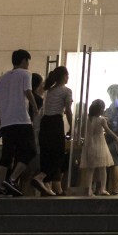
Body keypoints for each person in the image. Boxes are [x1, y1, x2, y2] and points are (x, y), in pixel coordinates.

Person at [0, 50, 35, 198]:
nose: (28, 64)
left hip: (7, 123)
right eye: (27, 61)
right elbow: (28, 91)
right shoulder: (25, 74)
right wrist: (35, 107)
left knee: (7, 154)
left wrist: (1, 122)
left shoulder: (2, 78)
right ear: (23, 61)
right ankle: (12, 179)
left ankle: (0, 187)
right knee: (30, 151)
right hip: (21, 120)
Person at [38, 66, 72, 196]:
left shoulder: (50, 90)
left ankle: (46, 184)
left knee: (46, 154)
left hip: (45, 122)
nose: (68, 78)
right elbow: (68, 110)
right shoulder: (66, 91)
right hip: (56, 122)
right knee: (58, 155)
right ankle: (41, 177)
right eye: (67, 75)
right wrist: (72, 126)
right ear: (64, 76)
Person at [78, 99, 118, 196]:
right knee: (102, 168)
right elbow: (108, 130)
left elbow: (83, 131)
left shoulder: (87, 119)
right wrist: (116, 137)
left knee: (90, 169)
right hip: (100, 144)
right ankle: (103, 189)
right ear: (100, 110)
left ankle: (88, 190)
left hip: (89, 144)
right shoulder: (101, 120)